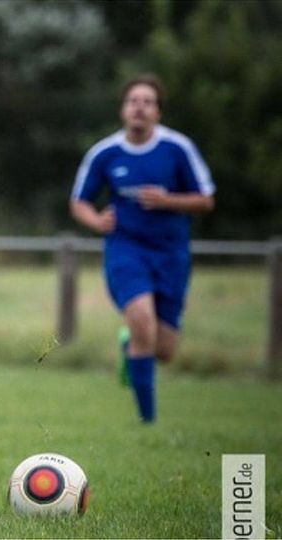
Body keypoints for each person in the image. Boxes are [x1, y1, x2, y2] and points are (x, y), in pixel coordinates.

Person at [70, 74, 215, 423]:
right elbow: (79, 202)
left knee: (163, 350)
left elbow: (206, 200)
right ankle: (147, 422)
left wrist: (169, 200)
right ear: (123, 110)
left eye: (147, 101)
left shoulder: (178, 149)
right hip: (125, 250)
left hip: (171, 253)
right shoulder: (105, 153)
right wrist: (96, 222)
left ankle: (129, 349)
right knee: (143, 326)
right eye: (133, 100)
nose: (140, 107)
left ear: (158, 112)